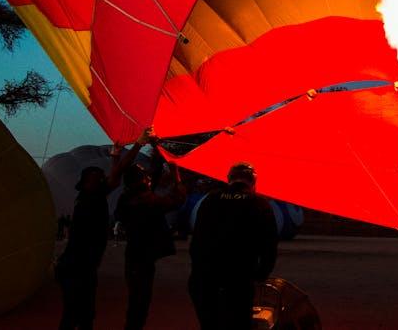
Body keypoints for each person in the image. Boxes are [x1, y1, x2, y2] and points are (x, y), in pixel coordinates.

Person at [54, 130, 149, 330]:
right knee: (77, 315)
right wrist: (138, 144)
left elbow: (115, 176)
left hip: (79, 266)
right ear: (89, 182)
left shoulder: (89, 197)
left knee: (81, 314)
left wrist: (114, 156)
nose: (104, 179)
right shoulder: (92, 198)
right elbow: (119, 173)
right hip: (77, 267)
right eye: (99, 177)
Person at [189, 163, 278, 330]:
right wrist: (261, 273)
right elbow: (269, 245)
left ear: (229, 179)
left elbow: (197, 238)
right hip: (239, 277)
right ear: (253, 182)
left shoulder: (210, 199)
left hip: (206, 275)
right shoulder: (259, 204)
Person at [114, 139, 186, 330]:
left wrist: (155, 148)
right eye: (146, 177)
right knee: (140, 301)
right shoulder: (147, 201)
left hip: (133, 254)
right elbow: (177, 199)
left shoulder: (126, 198)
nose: (149, 179)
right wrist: (175, 173)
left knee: (136, 299)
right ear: (142, 181)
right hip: (143, 257)